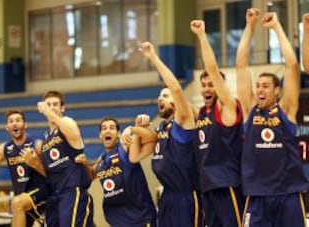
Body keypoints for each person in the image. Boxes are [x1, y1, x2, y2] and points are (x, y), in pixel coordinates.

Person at [236, 9, 309, 227]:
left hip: (288, 193)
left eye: (265, 86)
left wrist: (276, 27)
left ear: (277, 90)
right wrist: (249, 26)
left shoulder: (287, 109)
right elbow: (241, 65)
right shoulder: (250, 109)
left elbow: (292, 66)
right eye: (258, 86)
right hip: (257, 195)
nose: (260, 90)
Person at [126, 42, 201, 227]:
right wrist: (134, 129)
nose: (161, 98)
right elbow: (135, 156)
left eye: (166, 96)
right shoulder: (160, 129)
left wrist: (153, 57)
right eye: (160, 96)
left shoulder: (183, 121)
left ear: (177, 102)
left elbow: (176, 88)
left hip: (186, 197)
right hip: (167, 196)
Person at [189, 20, 245, 227]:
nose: (206, 89)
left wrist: (202, 36)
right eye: (203, 85)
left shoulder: (227, 108)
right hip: (207, 188)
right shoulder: (201, 114)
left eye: (211, 84)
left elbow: (212, 68)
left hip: (227, 185)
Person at [75, 116, 157, 227]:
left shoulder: (125, 147)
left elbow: (154, 137)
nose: (107, 130)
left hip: (139, 218)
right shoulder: (102, 159)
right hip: (118, 221)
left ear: (119, 134)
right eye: (104, 128)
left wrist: (133, 129)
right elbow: (93, 175)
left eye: (111, 128)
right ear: (100, 135)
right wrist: (85, 163)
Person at [36, 90, 93, 227]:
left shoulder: (67, 123)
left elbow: (73, 132)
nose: (51, 107)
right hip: (54, 194)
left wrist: (48, 112)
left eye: (55, 104)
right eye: (48, 104)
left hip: (72, 191)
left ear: (63, 107)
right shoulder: (45, 138)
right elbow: (48, 171)